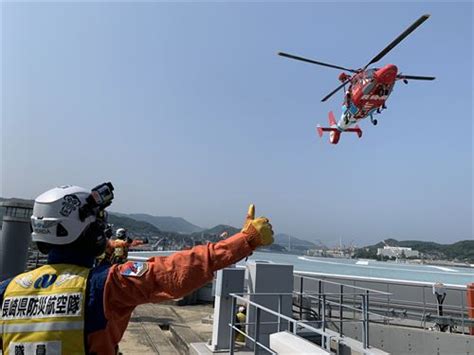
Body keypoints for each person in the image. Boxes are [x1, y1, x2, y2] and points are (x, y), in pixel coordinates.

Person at [0, 183, 273, 354]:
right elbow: (175, 271)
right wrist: (245, 240)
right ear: (87, 230)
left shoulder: (6, 291)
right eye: (98, 223)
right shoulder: (106, 285)